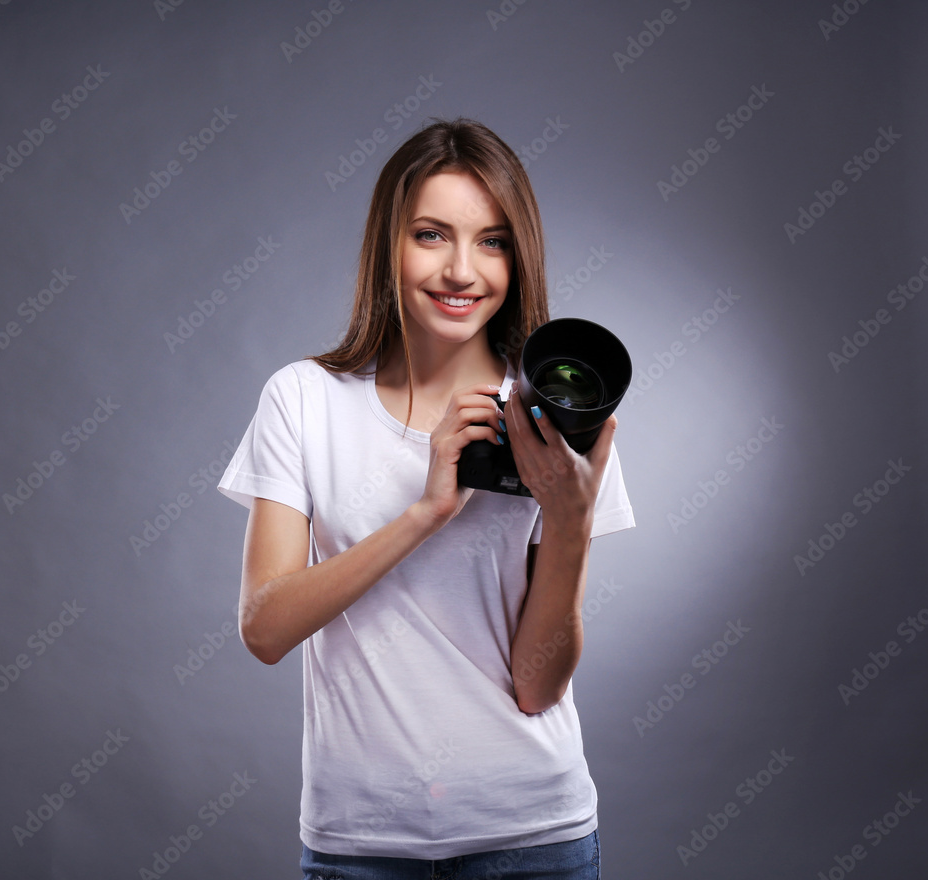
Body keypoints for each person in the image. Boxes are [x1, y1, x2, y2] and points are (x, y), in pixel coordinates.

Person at [218, 117, 634, 878]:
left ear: (518, 257)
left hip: (532, 837)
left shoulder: (555, 424)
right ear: (389, 244)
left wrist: (570, 519)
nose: (462, 271)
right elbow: (265, 629)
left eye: (493, 241)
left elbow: (537, 685)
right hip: (359, 845)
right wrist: (426, 512)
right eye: (432, 235)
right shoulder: (304, 399)